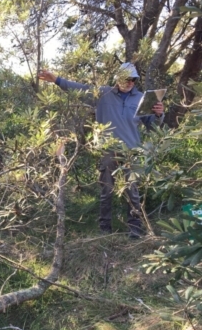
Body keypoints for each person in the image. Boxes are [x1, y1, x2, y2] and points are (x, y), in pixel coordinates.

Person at [38, 63, 164, 238]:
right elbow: (79, 89)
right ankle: (105, 229)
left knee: (133, 193)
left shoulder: (142, 99)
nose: (129, 82)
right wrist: (57, 80)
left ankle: (135, 231)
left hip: (132, 153)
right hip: (108, 151)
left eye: (133, 79)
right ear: (117, 79)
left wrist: (159, 114)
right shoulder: (102, 94)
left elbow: (153, 126)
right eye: (126, 79)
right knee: (106, 191)